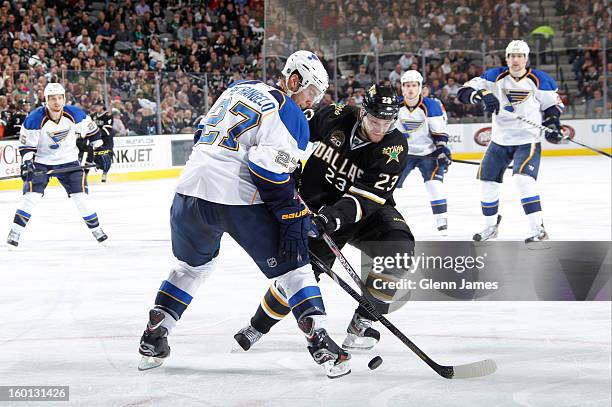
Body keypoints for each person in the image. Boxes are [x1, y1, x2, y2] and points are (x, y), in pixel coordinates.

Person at [137, 51, 352, 378]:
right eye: (310, 93)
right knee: (295, 270)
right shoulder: (290, 113)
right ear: (293, 80)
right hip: (236, 199)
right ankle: (319, 340)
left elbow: (200, 134)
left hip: (188, 192)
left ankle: (155, 333)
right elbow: (265, 167)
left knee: (192, 266)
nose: (311, 102)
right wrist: (291, 215)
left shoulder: (238, 87)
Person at [234, 85, 414, 353]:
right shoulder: (335, 115)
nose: (380, 129)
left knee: (400, 250)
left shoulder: (394, 146)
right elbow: (294, 135)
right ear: (362, 112)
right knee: (301, 275)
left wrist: (330, 219)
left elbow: (366, 198)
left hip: (362, 212)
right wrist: (285, 167)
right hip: (317, 206)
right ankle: (257, 326)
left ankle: (362, 323)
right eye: (375, 122)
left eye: (387, 124)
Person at [457, 40, 565, 244]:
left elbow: (555, 106)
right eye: (512, 56)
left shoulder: (539, 80)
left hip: (527, 139)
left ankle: (539, 230)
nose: (515, 60)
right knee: (487, 183)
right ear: (506, 58)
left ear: (526, 58)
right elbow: (463, 92)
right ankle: (490, 227)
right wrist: (480, 95)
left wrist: (553, 124)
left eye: (520, 56)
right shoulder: (494, 76)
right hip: (500, 140)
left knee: (523, 180)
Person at [6, 83, 112, 248]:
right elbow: (27, 148)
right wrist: (27, 163)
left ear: (64, 98)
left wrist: (99, 151)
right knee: (31, 197)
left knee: (81, 198)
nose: (56, 102)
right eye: (52, 98)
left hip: (69, 161)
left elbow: (94, 135)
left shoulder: (75, 114)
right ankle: (15, 231)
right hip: (42, 163)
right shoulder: (34, 119)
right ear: (46, 100)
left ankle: (97, 230)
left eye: (59, 98)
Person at [395, 70, 452, 234]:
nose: (411, 89)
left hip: (429, 154)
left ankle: (442, 222)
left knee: (434, 185)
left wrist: (442, 149)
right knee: (389, 185)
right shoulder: (395, 105)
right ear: (402, 88)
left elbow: (439, 133)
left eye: (414, 85)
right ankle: (381, 218)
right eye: (407, 85)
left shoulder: (431, 105)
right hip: (404, 154)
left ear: (420, 87)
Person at [77, 104, 114, 182]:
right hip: (94, 139)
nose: (96, 107)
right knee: (89, 156)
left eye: (98, 106)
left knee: (106, 157)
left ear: (102, 106)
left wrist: (95, 132)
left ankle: (104, 173)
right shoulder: (93, 116)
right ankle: (85, 175)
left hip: (106, 141)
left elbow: (107, 130)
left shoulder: (108, 116)